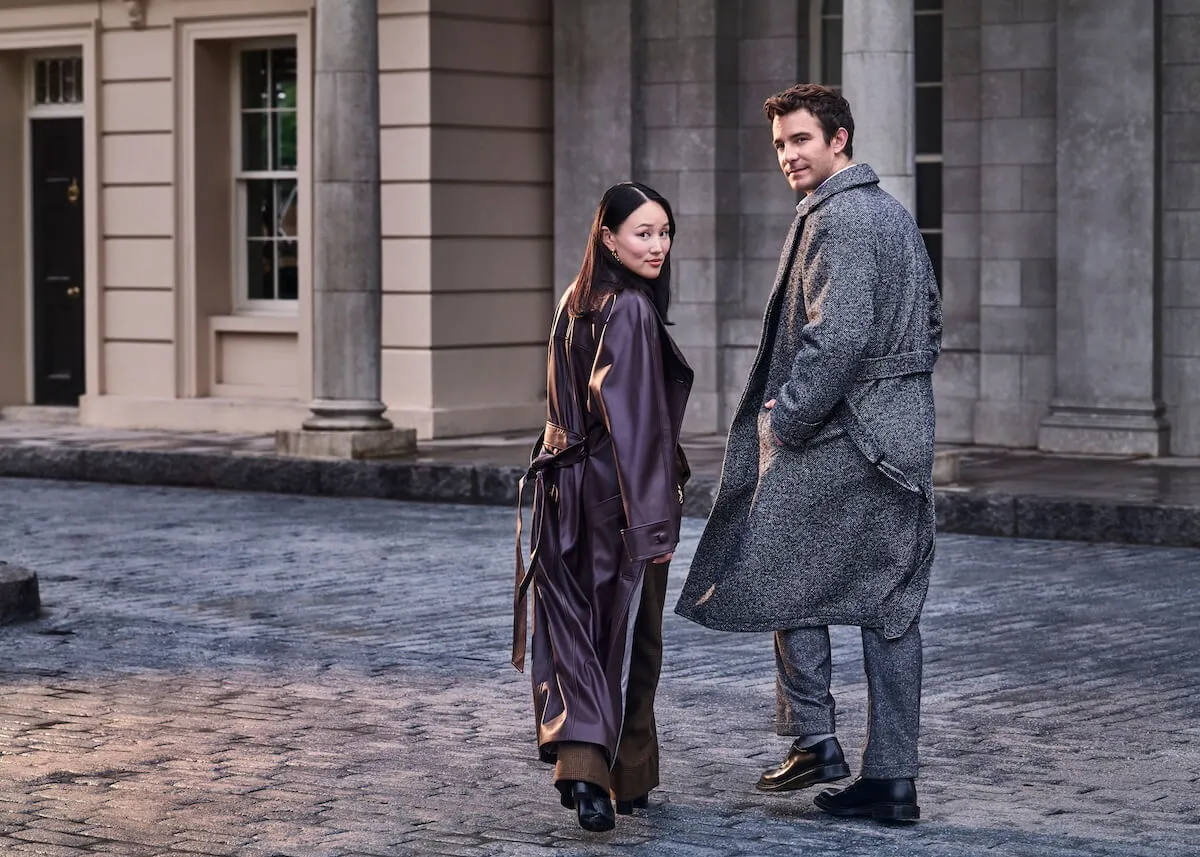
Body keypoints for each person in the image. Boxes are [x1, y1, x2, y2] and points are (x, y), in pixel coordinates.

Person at [675, 83, 942, 823]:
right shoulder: (888, 214)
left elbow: (840, 337)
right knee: (890, 605)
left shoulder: (846, 218)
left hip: (845, 437)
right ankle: (889, 777)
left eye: (801, 140)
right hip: (895, 433)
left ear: (840, 140)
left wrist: (788, 416)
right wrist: (900, 404)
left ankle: (818, 739)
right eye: (781, 145)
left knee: (781, 564)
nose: (789, 155)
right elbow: (931, 322)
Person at [512, 181, 693, 832]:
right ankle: (600, 775)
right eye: (642, 233)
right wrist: (653, 521)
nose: (657, 245)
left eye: (664, 231)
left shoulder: (575, 300)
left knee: (576, 637)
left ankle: (619, 775)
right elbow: (637, 427)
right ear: (608, 238)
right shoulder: (631, 310)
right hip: (616, 494)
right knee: (632, 637)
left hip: (561, 492)